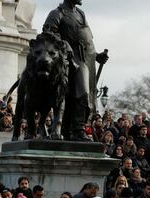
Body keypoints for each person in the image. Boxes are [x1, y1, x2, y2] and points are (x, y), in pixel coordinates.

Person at [43, 0, 109, 141]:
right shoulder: (57, 14)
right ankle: (77, 129)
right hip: (72, 60)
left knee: (88, 98)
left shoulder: (80, 13)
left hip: (88, 60)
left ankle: (72, 129)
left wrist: (97, 56)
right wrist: (65, 44)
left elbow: (85, 40)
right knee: (82, 94)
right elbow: (47, 34)